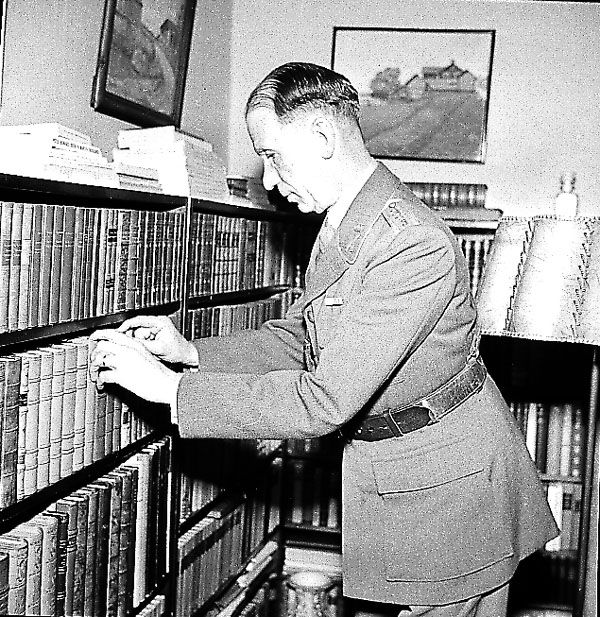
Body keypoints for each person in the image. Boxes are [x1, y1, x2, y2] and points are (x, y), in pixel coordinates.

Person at [89, 62, 558, 616]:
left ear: (321, 138)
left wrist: (171, 391)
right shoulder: (342, 221)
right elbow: (303, 338)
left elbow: (325, 399)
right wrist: (190, 352)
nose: (269, 181)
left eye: (272, 155)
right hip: (391, 471)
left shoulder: (410, 243)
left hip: (452, 490)